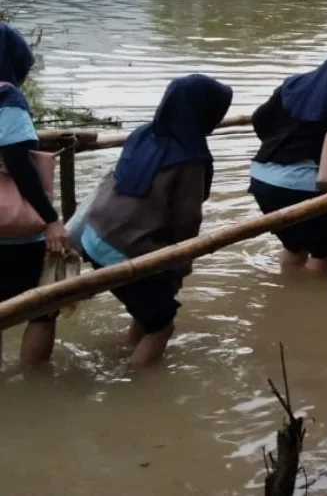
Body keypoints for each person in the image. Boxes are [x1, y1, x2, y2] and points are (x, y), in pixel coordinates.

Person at [80, 74, 233, 366]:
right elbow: (187, 222)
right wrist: (179, 267)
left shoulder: (143, 135)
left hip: (93, 236)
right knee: (163, 325)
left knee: (150, 310)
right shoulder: (190, 158)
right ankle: (133, 388)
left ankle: (132, 350)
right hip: (125, 252)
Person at [249, 50, 327, 275]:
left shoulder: (292, 85)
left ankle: (286, 293)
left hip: (262, 179)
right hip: (306, 186)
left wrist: (277, 147)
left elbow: (259, 119)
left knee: (293, 246)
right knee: (322, 252)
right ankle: (315, 304)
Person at [0, 23, 65, 370]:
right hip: (10, 232)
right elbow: (18, 165)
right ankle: (35, 386)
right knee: (42, 308)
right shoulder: (7, 96)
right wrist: (51, 219)